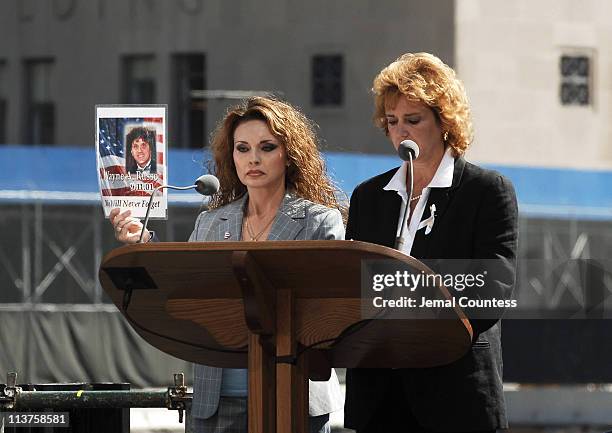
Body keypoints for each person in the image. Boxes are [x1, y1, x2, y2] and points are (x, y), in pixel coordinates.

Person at [110, 96, 344, 433]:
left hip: (293, 395)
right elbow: (182, 290)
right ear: (230, 155)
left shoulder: (320, 221)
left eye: (266, 147)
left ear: (289, 155)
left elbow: (328, 311)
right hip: (215, 399)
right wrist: (143, 245)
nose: (253, 159)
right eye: (242, 148)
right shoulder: (210, 222)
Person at [343, 52, 518, 433]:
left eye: (413, 120)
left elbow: (493, 286)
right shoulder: (368, 196)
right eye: (392, 122)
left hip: (454, 393)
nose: (400, 132)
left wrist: (402, 298)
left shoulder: (486, 190)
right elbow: (353, 285)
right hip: (379, 395)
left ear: (444, 122)